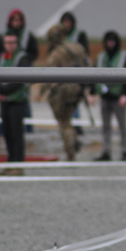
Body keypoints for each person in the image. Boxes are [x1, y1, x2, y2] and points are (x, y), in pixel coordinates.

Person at [37, 25, 89, 161]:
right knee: (68, 119)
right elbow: (88, 66)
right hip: (78, 88)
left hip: (64, 91)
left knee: (64, 122)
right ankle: (74, 140)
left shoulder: (56, 54)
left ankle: (70, 153)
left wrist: (41, 92)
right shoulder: (78, 48)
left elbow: (48, 75)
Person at [89, 31, 126, 161]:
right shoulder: (101, 57)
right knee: (105, 127)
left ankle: (125, 151)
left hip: (118, 97)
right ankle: (106, 151)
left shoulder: (125, 56)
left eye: (112, 41)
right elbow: (93, 75)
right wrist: (92, 93)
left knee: (122, 126)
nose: (110, 44)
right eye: (108, 41)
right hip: (105, 97)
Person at [0, 9, 38, 138]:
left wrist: (26, 61)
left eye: (19, 19)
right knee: (3, 109)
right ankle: (0, 130)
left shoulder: (28, 36)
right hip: (5, 75)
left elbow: (34, 52)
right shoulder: (2, 38)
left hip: (22, 72)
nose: (17, 22)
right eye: (14, 19)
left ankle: (29, 129)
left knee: (23, 101)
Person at [0, 31, 32, 176]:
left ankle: (18, 165)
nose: (9, 46)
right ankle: (10, 163)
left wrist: (4, 91)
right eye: (7, 43)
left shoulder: (22, 58)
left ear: (16, 44)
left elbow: (20, 80)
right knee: (7, 133)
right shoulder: (3, 57)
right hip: (5, 102)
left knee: (17, 134)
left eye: (12, 43)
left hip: (17, 102)